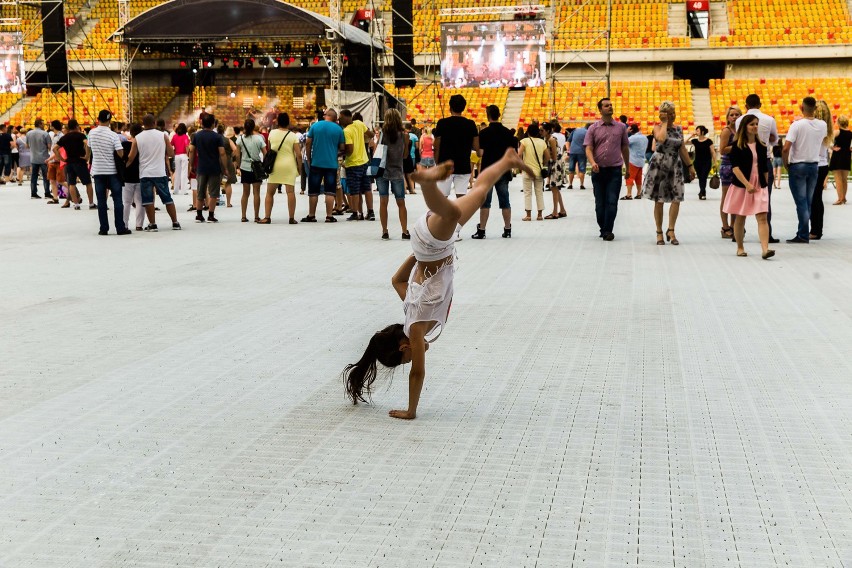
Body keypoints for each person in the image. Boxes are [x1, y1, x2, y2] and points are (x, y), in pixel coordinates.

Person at [341, 149, 533, 419]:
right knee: (479, 192)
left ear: (403, 347)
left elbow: (418, 373)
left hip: (434, 245)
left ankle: (427, 183)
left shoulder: (417, 329)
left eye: (407, 359)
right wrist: (416, 255)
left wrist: (411, 410)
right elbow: (396, 280)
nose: (413, 360)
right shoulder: (410, 309)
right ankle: (507, 160)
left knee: (452, 212)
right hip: (428, 244)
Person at [723, 114, 773, 259]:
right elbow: (735, 168)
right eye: (752, 124)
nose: (755, 127)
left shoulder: (762, 146)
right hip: (741, 184)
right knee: (740, 217)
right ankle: (740, 247)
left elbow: (764, 168)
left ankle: (765, 249)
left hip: (759, 185)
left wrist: (764, 185)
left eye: (756, 124)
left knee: (763, 217)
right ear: (744, 127)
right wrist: (747, 184)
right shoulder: (736, 146)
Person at [644, 102, 694, 245]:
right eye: (669, 113)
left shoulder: (679, 129)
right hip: (660, 164)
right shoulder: (657, 127)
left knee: (676, 198)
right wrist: (664, 123)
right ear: (663, 114)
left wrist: (690, 166)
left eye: (673, 112)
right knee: (659, 200)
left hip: (675, 165)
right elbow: (661, 139)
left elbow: (682, 148)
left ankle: (671, 230)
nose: (672, 115)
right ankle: (659, 232)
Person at [782, 96, 826, 243]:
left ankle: (802, 233)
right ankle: (804, 231)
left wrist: (785, 163)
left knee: (801, 202)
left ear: (802, 108)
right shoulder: (823, 125)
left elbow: (786, 147)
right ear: (815, 109)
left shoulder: (797, 125)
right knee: (808, 201)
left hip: (798, 165)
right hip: (814, 165)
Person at [735, 94, 779, 242]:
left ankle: (740, 233)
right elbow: (775, 140)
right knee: (765, 198)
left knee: (741, 199)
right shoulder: (769, 119)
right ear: (760, 104)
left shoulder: (739, 120)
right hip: (763, 159)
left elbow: (739, 138)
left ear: (746, 106)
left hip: (744, 161)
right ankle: (768, 234)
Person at [584, 99, 630, 241]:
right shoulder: (593, 128)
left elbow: (624, 148)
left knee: (612, 201)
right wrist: (592, 162)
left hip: (615, 170)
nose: (610, 107)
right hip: (598, 171)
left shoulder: (621, 127)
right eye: (606, 105)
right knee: (600, 203)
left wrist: (627, 167)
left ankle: (608, 230)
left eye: (611, 105)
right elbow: (588, 148)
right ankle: (603, 228)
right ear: (600, 109)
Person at [127, 114, 180, 231]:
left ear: (143, 124)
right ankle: (175, 222)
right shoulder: (163, 135)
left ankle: (153, 224)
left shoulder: (138, 138)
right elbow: (171, 153)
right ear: (154, 123)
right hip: (160, 172)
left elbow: (131, 157)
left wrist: (124, 168)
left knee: (148, 200)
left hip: (145, 173)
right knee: (167, 198)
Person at [471, 104, 517, 239]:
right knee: (505, 201)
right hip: (502, 170)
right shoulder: (507, 132)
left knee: (485, 202)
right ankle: (507, 229)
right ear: (499, 115)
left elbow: (479, 154)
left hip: (488, 171)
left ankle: (482, 230)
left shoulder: (484, 133)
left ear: (488, 115)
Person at [88, 109, 130, 235]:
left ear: (98, 119)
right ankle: (120, 228)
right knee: (117, 200)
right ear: (109, 120)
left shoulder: (91, 133)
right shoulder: (113, 135)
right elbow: (120, 153)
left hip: (98, 171)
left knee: (101, 201)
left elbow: (88, 150)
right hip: (112, 171)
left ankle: (103, 228)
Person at [432, 94, 480, 198]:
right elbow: (476, 146)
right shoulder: (470, 124)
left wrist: (437, 163)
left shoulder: (442, 123)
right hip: (463, 165)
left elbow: (436, 146)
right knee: (461, 199)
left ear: (450, 107)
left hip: (445, 165)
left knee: (442, 199)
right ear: (463, 107)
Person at [304, 109, 345, 223]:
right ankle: (329, 216)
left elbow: (308, 143)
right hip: (331, 164)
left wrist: (309, 158)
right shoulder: (339, 129)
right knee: (330, 191)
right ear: (334, 118)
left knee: (313, 190)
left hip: (316, 163)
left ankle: (312, 215)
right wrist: (333, 153)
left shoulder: (315, 126)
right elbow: (342, 147)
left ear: (327, 116)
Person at [375, 108, 410, 240]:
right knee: (401, 203)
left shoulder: (383, 134)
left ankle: (385, 231)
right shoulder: (404, 135)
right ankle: (404, 231)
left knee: (383, 201)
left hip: (382, 171)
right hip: (397, 171)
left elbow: (378, 151)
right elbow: (405, 155)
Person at [187, 113, 228, 223]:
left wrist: (191, 164)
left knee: (201, 191)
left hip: (201, 167)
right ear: (213, 124)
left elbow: (191, 150)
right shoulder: (217, 137)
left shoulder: (196, 136)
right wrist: (225, 167)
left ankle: (199, 215)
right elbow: (222, 153)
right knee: (213, 192)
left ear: (202, 123)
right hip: (214, 167)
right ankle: (211, 215)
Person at [264, 112, 302, 224]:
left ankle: (267, 217)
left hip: (275, 165)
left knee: (270, 193)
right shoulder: (293, 136)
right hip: (289, 166)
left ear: (278, 122)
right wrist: (299, 168)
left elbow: (270, 149)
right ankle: (291, 218)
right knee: (290, 192)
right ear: (288, 122)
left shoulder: (272, 133)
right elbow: (299, 155)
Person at [339, 109, 374, 221]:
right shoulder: (359, 123)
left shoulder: (347, 131)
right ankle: (370, 212)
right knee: (367, 188)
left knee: (355, 190)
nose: (339, 120)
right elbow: (371, 134)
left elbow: (350, 150)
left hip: (353, 164)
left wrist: (340, 153)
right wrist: (363, 138)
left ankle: (356, 213)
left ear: (346, 117)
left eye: (340, 117)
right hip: (364, 161)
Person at [54, 119, 93, 211]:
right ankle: (91, 203)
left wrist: (60, 158)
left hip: (69, 162)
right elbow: (87, 144)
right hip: (80, 161)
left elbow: (55, 148)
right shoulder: (81, 135)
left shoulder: (64, 137)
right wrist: (87, 155)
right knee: (88, 183)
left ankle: (76, 204)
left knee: (71, 183)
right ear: (76, 126)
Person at [235, 118, 268, 223]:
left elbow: (237, 154)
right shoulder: (259, 139)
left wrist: (238, 166)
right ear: (254, 127)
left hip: (245, 167)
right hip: (257, 168)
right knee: (256, 193)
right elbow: (265, 153)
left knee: (245, 193)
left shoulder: (240, 139)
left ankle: (243, 216)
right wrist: (265, 165)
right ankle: (256, 216)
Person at [809, 100, 833, 240]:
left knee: (813, 199)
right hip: (823, 164)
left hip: (815, 163)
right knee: (817, 198)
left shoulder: (816, 126)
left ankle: (815, 230)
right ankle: (818, 228)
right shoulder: (827, 127)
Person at [718, 106, 742, 239]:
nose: (734, 117)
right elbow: (722, 150)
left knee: (737, 198)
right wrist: (737, 146)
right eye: (732, 115)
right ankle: (725, 226)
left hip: (739, 166)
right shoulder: (727, 131)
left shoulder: (742, 131)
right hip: (728, 166)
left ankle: (734, 225)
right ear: (728, 117)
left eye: (737, 115)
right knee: (726, 197)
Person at [518, 122, 549, 221]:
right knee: (539, 192)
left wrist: (521, 165)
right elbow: (547, 156)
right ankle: (540, 215)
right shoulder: (542, 142)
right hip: (539, 171)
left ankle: (528, 215)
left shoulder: (524, 141)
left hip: (527, 171)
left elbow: (519, 155)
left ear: (528, 132)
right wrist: (543, 164)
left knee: (527, 193)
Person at [121, 123, 146, 231]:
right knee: (140, 201)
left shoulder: (124, 144)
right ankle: (139, 225)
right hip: (141, 174)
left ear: (130, 132)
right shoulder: (143, 145)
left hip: (127, 176)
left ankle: (125, 224)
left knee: (126, 202)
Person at [541, 121, 567, 219]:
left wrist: (545, 161)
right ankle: (562, 210)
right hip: (553, 163)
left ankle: (555, 212)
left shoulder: (551, 139)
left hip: (556, 164)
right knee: (555, 188)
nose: (540, 132)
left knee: (554, 188)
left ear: (547, 131)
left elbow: (554, 156)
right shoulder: (546, 138)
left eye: (542, 130)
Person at [26, 118, 52, 200]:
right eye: (43, 124)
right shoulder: (45, 134)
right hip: (44, 158)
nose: (44, 125)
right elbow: (49, 147)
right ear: (40, 124)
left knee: (34, 176)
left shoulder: (29, 133)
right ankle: (47, 193)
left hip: (33, 158)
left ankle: (33, 193)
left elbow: (27, 146)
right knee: (46, 177)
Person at [689, 126, 716, 200]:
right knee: (701, 178)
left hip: (707, 162)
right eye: (696, 130)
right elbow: (683, 142)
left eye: (697, 130)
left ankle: (703, 192)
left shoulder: (709, 141)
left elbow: (713, 152)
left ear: (702, 132)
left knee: (704, 177)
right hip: (697, 162)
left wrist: (715, 162)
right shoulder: (695, 141)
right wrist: (691, 136)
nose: (696, 132)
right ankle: (702, 191)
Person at [829, 115, 851, 205]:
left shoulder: (837, 132)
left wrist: (832, 147)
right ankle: (844, 198)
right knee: (844, 179)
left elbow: (828, 141)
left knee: (838, 179)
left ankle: (840, 199)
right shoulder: (850, 133)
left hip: (838, 155)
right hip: (846, 155)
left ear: (838, 122)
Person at [624, 123, 646, 199]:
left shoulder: (633, 138)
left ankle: (629, 194)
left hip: (633, 160)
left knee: (629, 177)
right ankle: (639, 193)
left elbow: (624, 142)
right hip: (641, 160)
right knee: (638, 178)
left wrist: (625, 132)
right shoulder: (644, 138)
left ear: (631, 130)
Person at [567, 123, 589, 189]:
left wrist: (568, 149)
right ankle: (581, 184)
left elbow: (568, 141)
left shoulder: (576, 130)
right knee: (582, 169)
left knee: (571, 168)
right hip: (582, 152)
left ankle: (570, 184)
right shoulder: (588, 132)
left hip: (572, 151)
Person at [171, 123, 190, 195]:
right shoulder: (185, 136)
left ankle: (176, 190)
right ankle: (183, 190)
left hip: (177, 155)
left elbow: (171, 144)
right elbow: (187, 146)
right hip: (184, 155)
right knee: (184, 172)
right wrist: (188, 154)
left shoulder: (175, 136)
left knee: (177, 172)